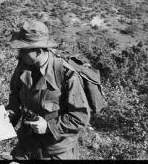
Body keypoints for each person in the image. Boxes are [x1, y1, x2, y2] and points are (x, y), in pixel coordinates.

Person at [5, 20, 90, 160]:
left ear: (38, 51)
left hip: (56, 151)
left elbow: (80, 117)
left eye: (23, 50)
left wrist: (49, 127)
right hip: (28, 145)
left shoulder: (65, 74)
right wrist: (10, 113)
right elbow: (15, 96)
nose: (18, 55)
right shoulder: (23, 66)